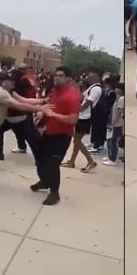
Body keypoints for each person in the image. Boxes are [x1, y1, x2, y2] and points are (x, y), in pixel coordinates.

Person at [31, 67, 81, 205]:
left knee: (52, 164)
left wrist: (53, 115)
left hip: (61, 135)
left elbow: (73, 119)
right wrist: (43, 114)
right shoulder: (55, 92)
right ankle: (45, 181)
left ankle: (54, 193)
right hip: (47, 132)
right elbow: (50, 106)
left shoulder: (72, 96)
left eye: (60, 75)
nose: (56, 78)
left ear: (68, 78)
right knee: (40, 160)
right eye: (55, 75)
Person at [63, 68, 103, 172]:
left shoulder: (96, 89)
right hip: (82, 116)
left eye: (90, 76)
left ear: (96, 77)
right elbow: (81, 98)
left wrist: (76, 110)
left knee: (77, 140)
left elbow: (87, 103)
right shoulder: (91, 88)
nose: (87, 78)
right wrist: (75, 87)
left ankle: (91, 161)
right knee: (77, 141)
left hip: (85, 117)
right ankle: (72, 161)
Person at [104, 82, 124, 166]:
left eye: (117, 88)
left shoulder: (121, 99)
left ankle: (112, 159)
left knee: (113, 141)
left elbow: (119, 112)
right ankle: (110, 156)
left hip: (117, 124)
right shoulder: (118, 98)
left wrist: (113, 122)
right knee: (109, 139)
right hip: (113, 122)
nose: (116, 89)